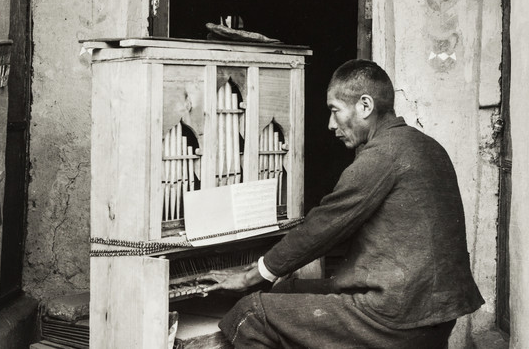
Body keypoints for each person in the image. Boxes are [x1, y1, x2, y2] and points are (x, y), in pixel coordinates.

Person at [199, 59, 484, 348]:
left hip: (397, 317)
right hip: (435, 315)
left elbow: (322, 226)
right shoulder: (427, 145)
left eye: (335, 110)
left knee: (250, 313)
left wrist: (251, 276)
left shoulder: (380, 156)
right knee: (286, 289)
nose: (330, 124)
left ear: (364, 106)